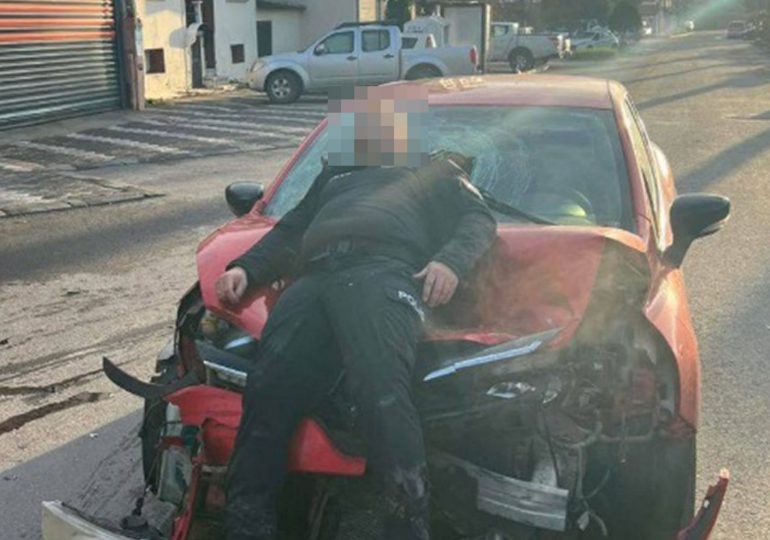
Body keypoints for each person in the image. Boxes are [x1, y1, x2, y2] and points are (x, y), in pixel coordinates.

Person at [216, 85, 496, 540]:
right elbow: (290, 230)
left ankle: (407, 527)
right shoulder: (335, 177)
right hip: (314, 279)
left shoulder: (435, 169)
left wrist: (449, 262)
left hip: (382, 273)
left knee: (382, 395)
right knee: (267, 391)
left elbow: (478, 219)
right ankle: (248, 524)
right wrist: (245, 268)